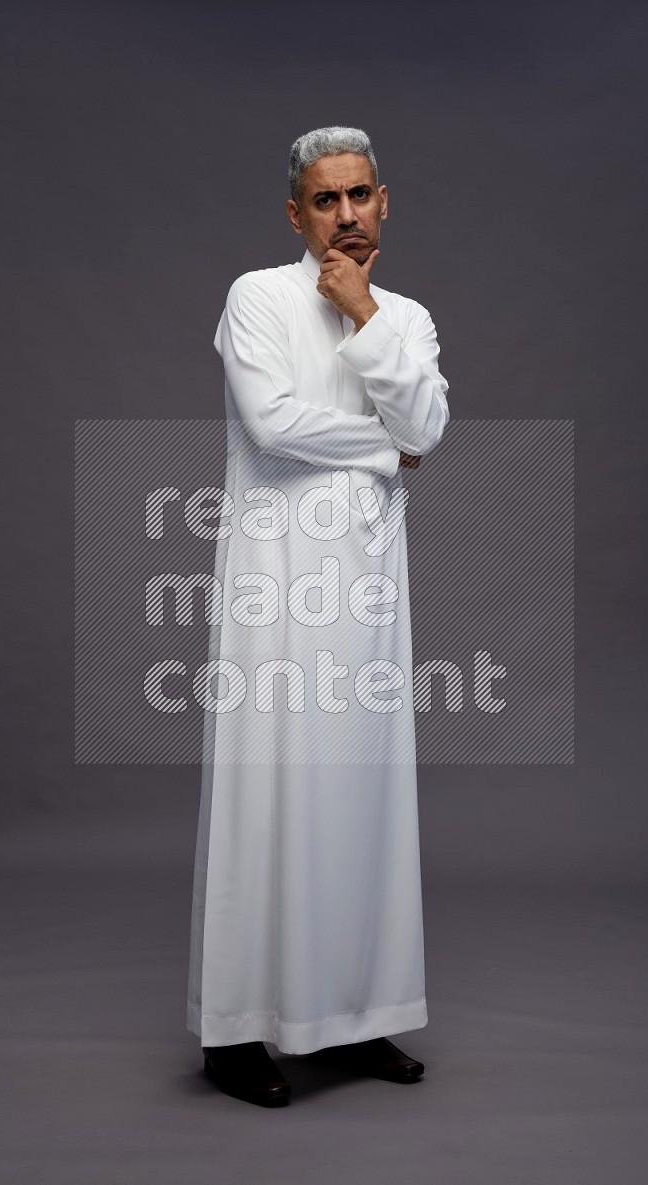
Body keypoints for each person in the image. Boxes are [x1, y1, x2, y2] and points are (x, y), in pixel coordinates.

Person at [186, 126, 450, 1107]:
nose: (344, 216)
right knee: (269, 798)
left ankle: (352, 1017)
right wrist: (384, 451)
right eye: (324, 200)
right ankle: (235, 1033)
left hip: (369, 596)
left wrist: (363, 316)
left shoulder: (405, 317)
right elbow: (274, 424)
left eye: (359, 196)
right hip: (276, 588)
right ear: (295, 214)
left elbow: (426, 423)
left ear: (384, 201)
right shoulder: (256, 295)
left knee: (365, 800)